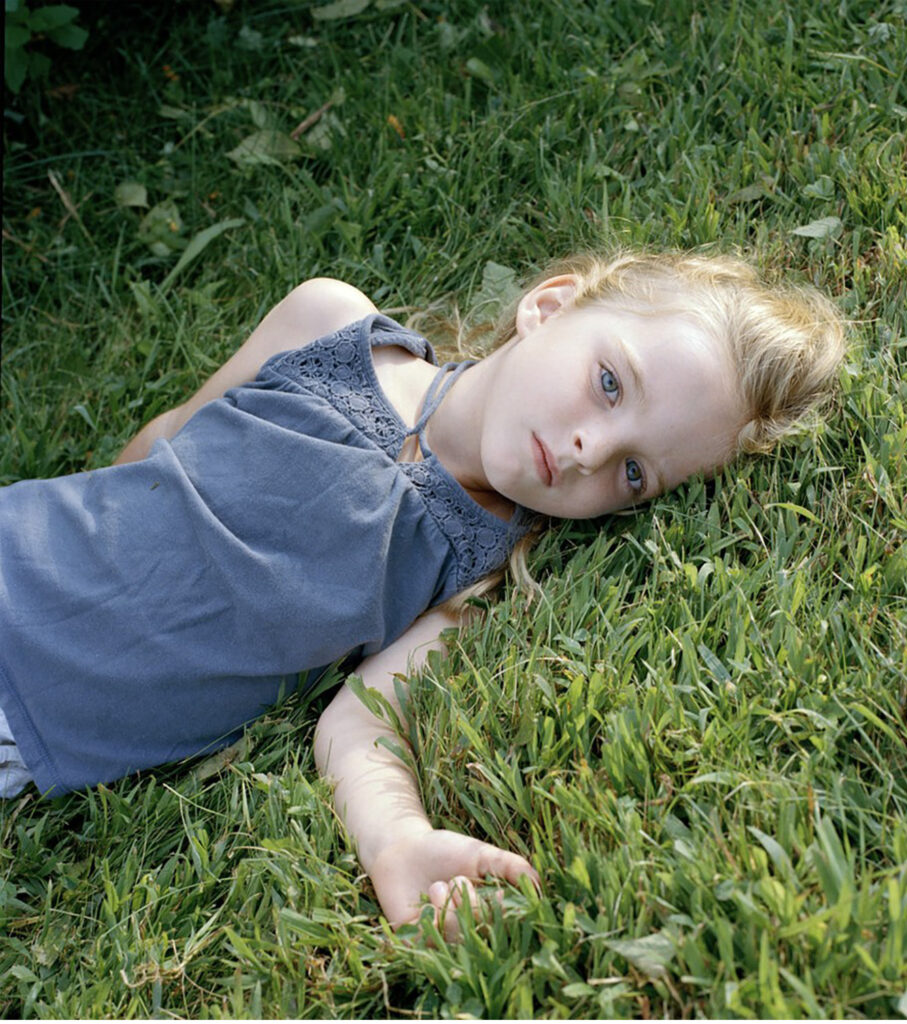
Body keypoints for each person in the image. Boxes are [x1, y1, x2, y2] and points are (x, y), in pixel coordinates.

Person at [0, 250, 844, 936]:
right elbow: (162, 440)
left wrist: (398, 841)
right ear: (550, 306)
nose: (591, 448)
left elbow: (360, 728)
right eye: (610, 384)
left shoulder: (477, 570)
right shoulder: (330, 324)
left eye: (633, 472)